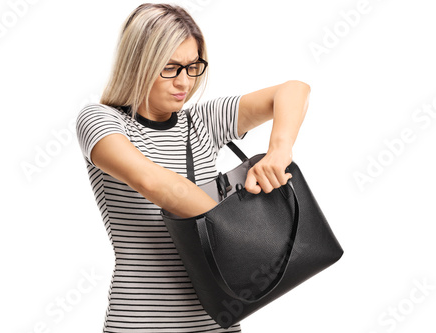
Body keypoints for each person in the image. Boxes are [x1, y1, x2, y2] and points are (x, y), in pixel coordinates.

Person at [75, 3, 310, 332]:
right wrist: (251, 235)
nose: (184, 82)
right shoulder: (101, 120)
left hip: (221, 320)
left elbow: (294, 90)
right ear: (138, 64)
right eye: (169, 68)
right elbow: (155, 183)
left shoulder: (202, 121)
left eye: (193, 66)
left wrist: (277, 153)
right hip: (141, 323)